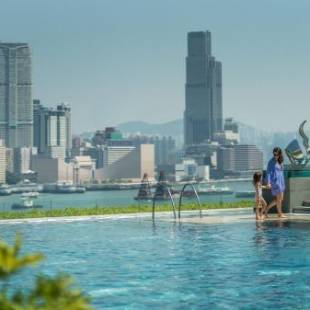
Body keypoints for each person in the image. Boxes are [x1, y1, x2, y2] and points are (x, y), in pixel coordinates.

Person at [265, 147, 286, 218]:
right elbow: (268, 173)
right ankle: (279, 214)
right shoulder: (271, 162)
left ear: (280, 154)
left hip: (281, 182)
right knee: (279, 199)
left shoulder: (281, 161)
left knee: (280, 199)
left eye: (277, 154)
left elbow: (281, 172)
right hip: (275, 182)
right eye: (274, 154)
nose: (275, 156)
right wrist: (268, 182)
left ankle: (267, 209)